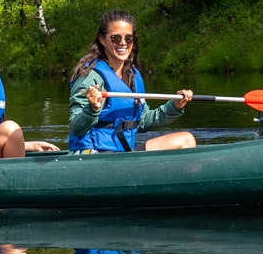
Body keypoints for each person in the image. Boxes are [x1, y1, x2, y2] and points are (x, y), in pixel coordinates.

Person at [68, 10, 195, 152]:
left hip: (122, 153)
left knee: (186, 139)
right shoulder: (90, 76)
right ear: (102, 39)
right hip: (93, 153)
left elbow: (143, 120)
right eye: (115, 38)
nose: (123, 43)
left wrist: (175, 106)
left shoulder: (132, 75)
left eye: (128, 38)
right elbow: (76, 127)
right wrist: (92, 109)